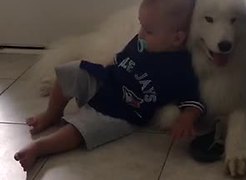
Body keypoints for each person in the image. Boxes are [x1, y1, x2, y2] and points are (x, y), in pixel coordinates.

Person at [15, 0, 205, 171]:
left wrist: (187, 118)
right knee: (71, 72)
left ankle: (39, 147)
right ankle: (52, 113)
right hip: (107, 81)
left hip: (123, 111)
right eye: (141, 26)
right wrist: (99, 70)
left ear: (177, 39)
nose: (140, 34)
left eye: (148, 31)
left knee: (78, 131)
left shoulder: (182, 68)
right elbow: (118, 59)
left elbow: (194, 98)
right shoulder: (141, 42)